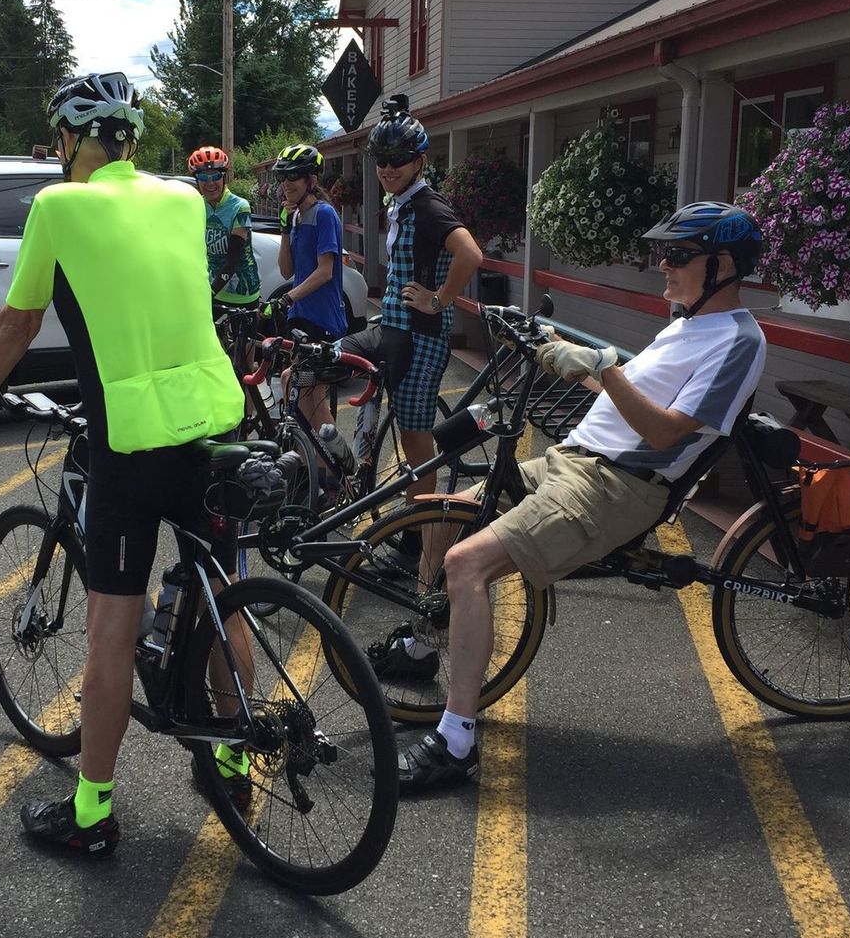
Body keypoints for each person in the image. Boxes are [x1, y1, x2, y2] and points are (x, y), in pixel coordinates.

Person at [0, 71, 249, 858]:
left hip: (131, 438)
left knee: (110, 627)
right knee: (224, 596)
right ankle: (235, 757)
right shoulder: (184, 201)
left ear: (73, 140)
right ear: (130, 139)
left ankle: (92, 812)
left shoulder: (58, 206)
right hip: (215, 418)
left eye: (60, 139)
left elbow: (18, 321)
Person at [384, 202, 768, 794]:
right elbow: (624, 387)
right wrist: (558, 350)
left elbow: (665, 432)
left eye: (677, 255)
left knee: (465, 563)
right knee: (445, 514)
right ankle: (420, 642)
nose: (663, 265)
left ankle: (456, 742)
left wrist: (604, 369)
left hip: (618, 485)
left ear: (723, 266)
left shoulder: (739, 341)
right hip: (575, 460)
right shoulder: (686, 323)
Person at [343, 95, 482, 505]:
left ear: (419, 161)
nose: (388, 168)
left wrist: (438, 300)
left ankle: (416, 529)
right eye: (382, 159)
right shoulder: (402, 204)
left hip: (421, 338)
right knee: (310, 367)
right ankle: (331, 472)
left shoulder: (427, 206)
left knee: (415, 442)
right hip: (391, 328)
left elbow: (471, 254)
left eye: (399, 159)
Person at [272, 143, 345, 435]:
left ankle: (333, 458)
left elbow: (325, 271)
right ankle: (314, 456)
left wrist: (287, 297)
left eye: (294, 176)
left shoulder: (324, 214)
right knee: (301, 391)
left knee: (304, 391)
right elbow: (286, 270)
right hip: (301, 318)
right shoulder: (298, 216)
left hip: (322, 320)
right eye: (283, 177)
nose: (286, 183)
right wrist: (285, 229)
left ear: (311, 180)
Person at [190, 145, 260, 307]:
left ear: (224, 177)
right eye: (203, 176)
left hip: (242, 293)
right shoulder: (197, 205)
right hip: (211, 289)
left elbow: (232, 259)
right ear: (196, 180)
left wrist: (209, 293)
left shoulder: (240, 207)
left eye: (215, 176)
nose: (210, 183)